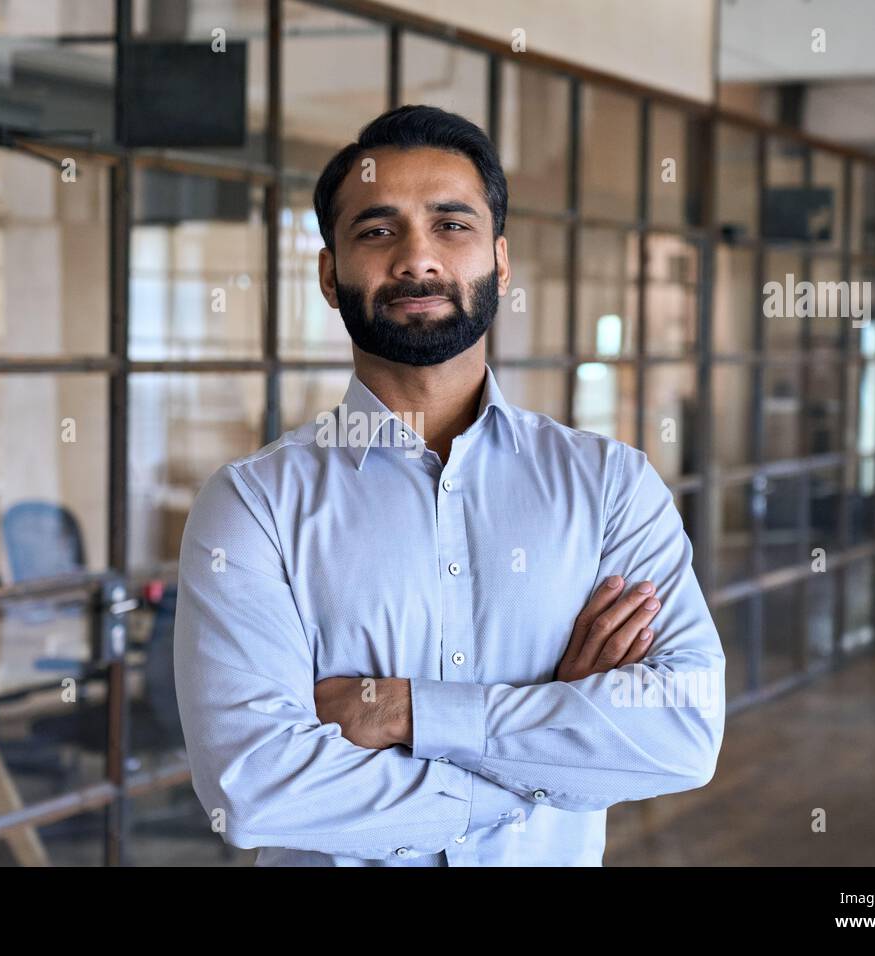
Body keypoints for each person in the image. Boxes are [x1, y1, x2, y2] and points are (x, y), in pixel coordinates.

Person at [173, 104, 725, 866]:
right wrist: (549, 758)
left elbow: (682, 734)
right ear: (330, 274)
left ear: (499, 262)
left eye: (451, 225)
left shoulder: (610, 488)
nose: (417, 259)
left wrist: (407, 712)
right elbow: (254, 787)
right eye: (376, 231)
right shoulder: (254, 506)